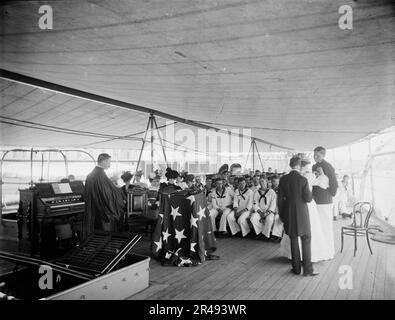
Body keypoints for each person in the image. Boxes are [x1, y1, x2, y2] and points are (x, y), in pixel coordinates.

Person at [280, 155, 333, 263]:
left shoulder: (288, 177)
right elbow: (324, 183)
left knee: (294, 231)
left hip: (293, 206)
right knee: (309, 231)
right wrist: (321, 173)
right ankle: (308, 258)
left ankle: (295, 258)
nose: (307, 169)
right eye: (306, 167)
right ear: (302, 166)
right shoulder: (308, 177)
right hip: (307, 205)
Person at [278, 156, 317, 276]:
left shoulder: (283, 179)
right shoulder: (303, 179)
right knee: (306, 240)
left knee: (293, 240)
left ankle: (296, 269)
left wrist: (282, 215)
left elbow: (280, 200)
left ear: (290, 165)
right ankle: (308, 270)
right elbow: (308, 199)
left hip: (288, 213)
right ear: (299, 166)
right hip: (302, 214)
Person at [83, 153, 126, 239]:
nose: (110, 164)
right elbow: (108, 194)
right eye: (109, 162)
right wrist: (121, 194)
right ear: (104, 161)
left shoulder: (91, 174)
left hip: (93, 209)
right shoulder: (100, 175)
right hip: (102, 211)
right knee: (104, 234)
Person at [312, 146, 338, 259]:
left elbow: (334, 184)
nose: (315, 157)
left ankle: (328, 251)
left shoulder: (328, 166)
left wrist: (329, 193)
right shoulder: (314, 166)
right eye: (314, 155)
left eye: (317, 155)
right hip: (315, 200)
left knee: (326, 226)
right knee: (317, 226)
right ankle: (320, 251)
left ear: (323, 155)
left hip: (325, 200)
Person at [250, 176, 283, 241]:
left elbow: (273, 204)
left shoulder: (271, 192)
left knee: (270, 219)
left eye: (263, 181)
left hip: (269, 211)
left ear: (266, 182)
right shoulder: (256, 192)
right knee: (253, 218)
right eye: (260, 181)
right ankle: (260, 232)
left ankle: (266, 235)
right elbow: (254, 203)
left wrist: (267, 212)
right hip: (260, 211)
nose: (261, 182)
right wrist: (260, 212)